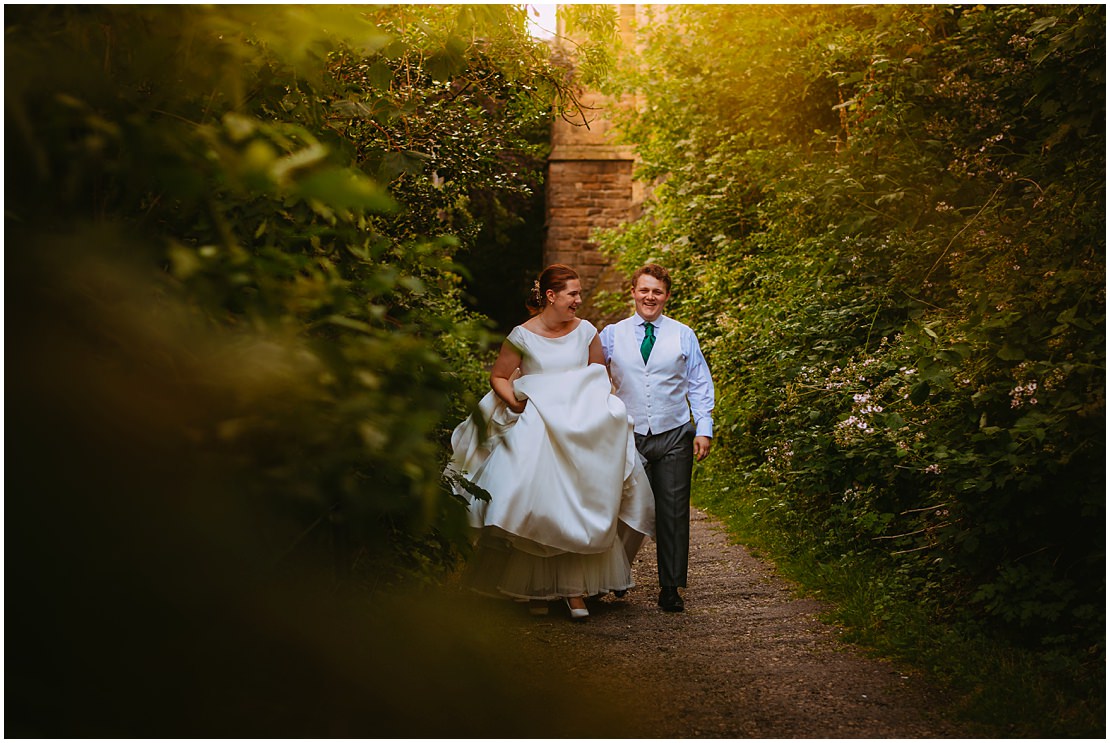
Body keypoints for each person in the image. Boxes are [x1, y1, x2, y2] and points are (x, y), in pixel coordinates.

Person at [448, 264, 654, 621]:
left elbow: (597, 379)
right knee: (536, 503)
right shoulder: (521, 336)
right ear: (550, 296)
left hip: (579, 429)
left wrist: (601, 413)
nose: (578, 300)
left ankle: (574, 590)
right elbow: (498, 375)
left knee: (578, 502)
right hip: (538, 427)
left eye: (579, 293)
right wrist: (513, 400)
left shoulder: (586, 331)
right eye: (573, 294)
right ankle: (532, 590)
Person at [600, 264, 715, 612]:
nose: (650, 297)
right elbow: (587, 374)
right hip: (627, 434)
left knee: (673, 512)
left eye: (658, 292)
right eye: (644, 290)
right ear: (633, 291)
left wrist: (704, 427)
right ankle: (613, 576)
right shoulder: (610, 335)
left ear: (667, 296)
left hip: (675, 433)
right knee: (619, 509)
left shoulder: (683, 335)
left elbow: (699, 382)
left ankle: (670, 587)